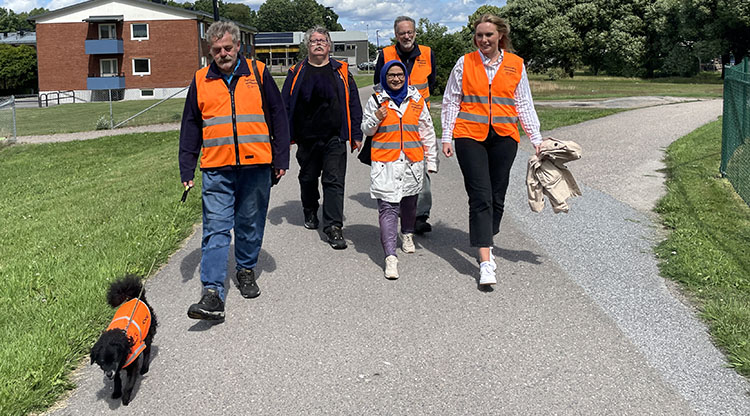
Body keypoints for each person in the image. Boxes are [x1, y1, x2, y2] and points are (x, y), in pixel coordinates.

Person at [179, 21, 290, 320]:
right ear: (209, 51)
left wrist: (281, 158)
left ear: (239, 46)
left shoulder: (258, 73)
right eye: (216, 50)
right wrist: (186, 167)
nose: (223, 54)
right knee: (215, 227)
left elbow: (278, 116)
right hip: (217, 167)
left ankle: (245, 269)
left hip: (256, 164)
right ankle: (212, 292)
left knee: (250, 222)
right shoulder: (201, 79)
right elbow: (190, 125)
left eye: (228, 48)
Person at [441, 14, 542, 286]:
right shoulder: (464, 63)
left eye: (488, 35)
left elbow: (523, 104)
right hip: (469, 135)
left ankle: (486, 234)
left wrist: (537, 138)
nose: (483, 40)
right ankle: (486, 261)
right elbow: (451, 101)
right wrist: (446, 137)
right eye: (479, 35)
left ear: (500, 36)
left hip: (504, 137)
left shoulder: (515, 65)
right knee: (481, 196)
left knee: (497, 196)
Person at [282, 26, 363, 250]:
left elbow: (354, 103)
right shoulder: (296, 71)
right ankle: (310, 208)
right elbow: (284, 105)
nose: (318, 44)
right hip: (306, 138)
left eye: (322, 40)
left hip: (334, 137)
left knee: (334, 181)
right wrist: (283, 137)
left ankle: (333, 227)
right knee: (308, 178)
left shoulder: (342, 71)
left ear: (329, 45)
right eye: (314, 41)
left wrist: (356, 133)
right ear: (307, 46)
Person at [363, 60, 438, 279]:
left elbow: (427, 131)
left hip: (412, 163)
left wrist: (431, 162)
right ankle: (390, 257)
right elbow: (366, 130)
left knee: (409, 203)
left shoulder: (416, 100)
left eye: (399, 75)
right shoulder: (377, 100)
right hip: (385, 164)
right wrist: (375, 119)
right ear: (384, 77)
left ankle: (407, 234)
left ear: (405, 77)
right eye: (391, 75)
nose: (395, 79)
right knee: (387, 209)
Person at [373, 16, 437, 235]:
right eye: (402, 33)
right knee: (394, 164)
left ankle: (420, 215)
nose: (406, 36)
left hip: (418, 120)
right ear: (396, 35)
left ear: (415, 33)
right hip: (392, 120)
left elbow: (432, 82)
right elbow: (377, 85)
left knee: (421, 166)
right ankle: (398, 206)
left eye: (410, 32)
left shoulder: (427, 53)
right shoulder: (385, 54)